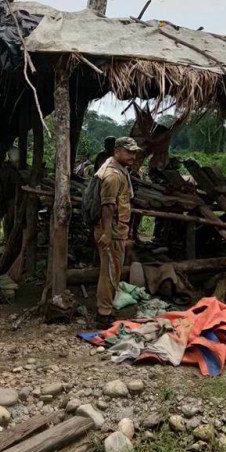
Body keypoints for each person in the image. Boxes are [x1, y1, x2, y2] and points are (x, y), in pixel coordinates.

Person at [93, 136, 140, 329]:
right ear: (117, 151)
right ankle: (103, 313)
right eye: (129, 152)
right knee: (110, 273)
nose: (133, 156)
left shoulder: (119, 169)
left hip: (116, 230)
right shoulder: (113, 175)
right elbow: (108, 206)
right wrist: (106, 233)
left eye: (134, 153)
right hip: (111, 231)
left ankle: (106, 307)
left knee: (112, 271)